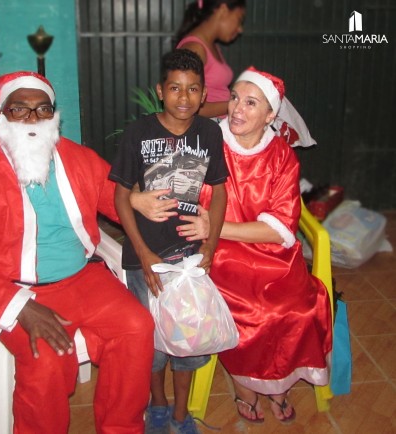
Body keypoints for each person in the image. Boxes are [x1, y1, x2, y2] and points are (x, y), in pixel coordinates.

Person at [0, 71, 155, 434]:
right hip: (14, 289)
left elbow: (116, 198)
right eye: (20, 109)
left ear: (53, 116)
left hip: (83, 277)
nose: (33, 119)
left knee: (137, 327)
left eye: (43, 109)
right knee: (46, 359)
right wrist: (20, 307)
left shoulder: (77, 158)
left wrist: (147, 202)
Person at [173, 67, 332, 424]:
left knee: (298, 307)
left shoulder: (282, 156)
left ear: (270, 115)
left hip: (272, 254)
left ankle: (278, 381)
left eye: (250, 103)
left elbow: (281, 229)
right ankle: (245, 384)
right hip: (218, 254)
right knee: (252, 313)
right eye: (234, 98)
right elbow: (181, 197)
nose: (236, 109)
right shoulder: (204, 143)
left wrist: (217, 226)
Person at [109, 49, 228, 434]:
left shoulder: (209, 133)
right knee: (152, 341)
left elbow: (220, 191)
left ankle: (181, 412)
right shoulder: (139, 133)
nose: (184, 97)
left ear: (203, 95)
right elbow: (120, 196)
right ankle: (157, 404)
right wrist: (143, 253)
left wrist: (209, 245)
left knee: (186, 339)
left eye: (193, 89)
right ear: (161, 91)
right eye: (175, 88)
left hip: (188, 259)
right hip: (145, 259)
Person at [175, 0, 246, 120]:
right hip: (206, 127)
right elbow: (187, 105)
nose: (240, 29)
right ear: (223, 10)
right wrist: (234, 104)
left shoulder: (211, 45)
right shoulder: (194, 48)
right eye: (239, 20)